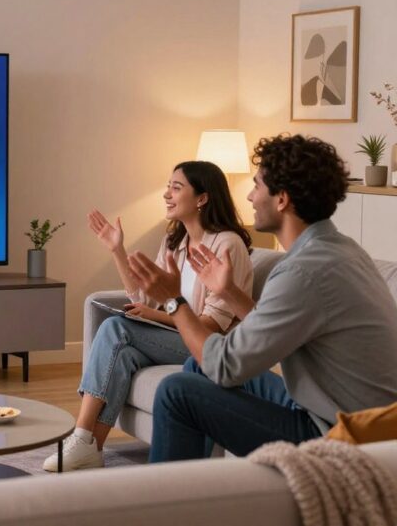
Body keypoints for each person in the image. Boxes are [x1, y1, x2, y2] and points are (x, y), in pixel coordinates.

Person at [126, 135, 397, 464]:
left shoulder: (302, 272)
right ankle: (198, 481)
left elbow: (224, 367)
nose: (250, 196)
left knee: (176, 392)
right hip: (352, 418)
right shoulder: (342, 250)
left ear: (281, 199)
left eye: (256, 186)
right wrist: (229, 291)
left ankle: (169, 496)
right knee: (196, 366)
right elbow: (270, 331)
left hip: (340, 436)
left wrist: (174, 301)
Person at [44, 161, 254, 472]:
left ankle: (80, 434)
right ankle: (92, 447)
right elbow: (143, 299)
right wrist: (117, 250)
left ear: (202, 198)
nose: (167, 194)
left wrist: (156, 315)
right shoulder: (176, 242)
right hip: (179, 337)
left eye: (176, 188)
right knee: (124, 354)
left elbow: (212, 325)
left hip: (208, 346)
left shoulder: (227, 244)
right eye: (168, 187)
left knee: (116, 328)